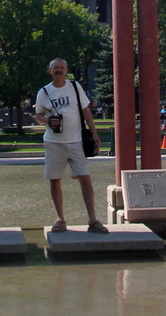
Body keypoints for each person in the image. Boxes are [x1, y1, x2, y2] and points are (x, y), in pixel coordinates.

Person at [34, 58, 108, 233]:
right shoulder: (44, 92)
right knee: (55, 180)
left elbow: (85, 110)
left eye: (61, 67)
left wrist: (94, 133)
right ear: (50, 71)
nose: (59, 70)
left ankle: (93, 220)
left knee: (85, 178)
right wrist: (48, 120)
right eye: (55, 68)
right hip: (54, 143)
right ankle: (60, 219)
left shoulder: (74, 86)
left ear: (66, 70)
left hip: (76, 141)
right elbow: (38, 115)